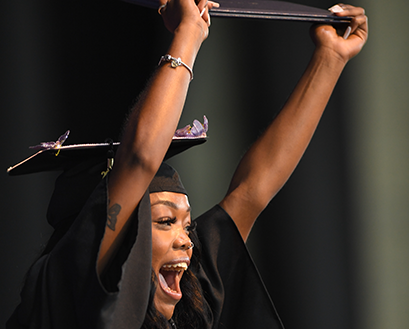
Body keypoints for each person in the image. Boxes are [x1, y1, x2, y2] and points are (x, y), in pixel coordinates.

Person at [6, 1, 368, 328]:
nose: (187, 242)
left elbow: (252, 191)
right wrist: (188, 34)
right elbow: (139, 159)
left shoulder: (185, 307)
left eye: (187, 226)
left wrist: (329, 59)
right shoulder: (65, 288)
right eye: (165, 221)